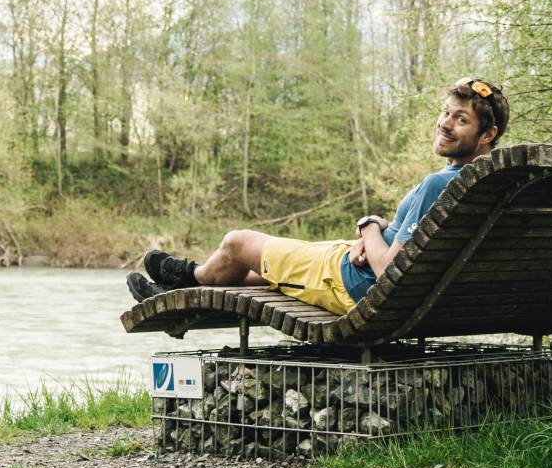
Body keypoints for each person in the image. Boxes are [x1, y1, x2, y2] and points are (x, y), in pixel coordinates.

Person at [127, 78, 508, 315]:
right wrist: (378, 233)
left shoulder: (438, 185)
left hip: (351, 283)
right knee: (262, 269)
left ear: (486, 135)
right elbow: (416, 246)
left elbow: (391, 270)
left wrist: (369, 227)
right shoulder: (486, 184)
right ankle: (181, 292)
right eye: (446, 113)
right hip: (369, 271)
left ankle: (186, 280)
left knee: (236, 243)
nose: (444, 124)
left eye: (461, 119)